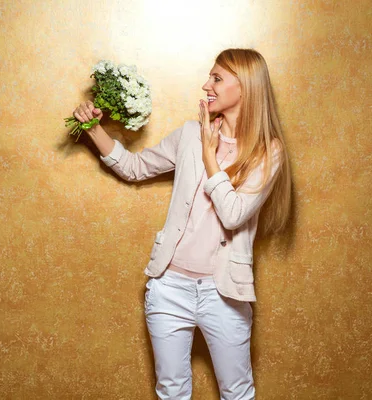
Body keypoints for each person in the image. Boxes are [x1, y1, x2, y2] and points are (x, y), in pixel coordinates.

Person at [72, 48, 292, 400]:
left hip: (225, 294)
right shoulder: (190, 134)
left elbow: (233, 214)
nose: (207, 85)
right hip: (169, 285)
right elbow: (134, 167)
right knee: (171, 392)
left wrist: (210, 155)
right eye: (210, 77)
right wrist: (92, 128)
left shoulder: (268, 151)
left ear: (246, 86)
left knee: (237, 393)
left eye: (217, 78)